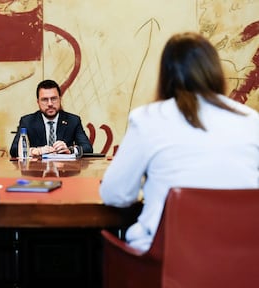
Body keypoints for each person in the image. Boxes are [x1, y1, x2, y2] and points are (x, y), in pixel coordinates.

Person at [100, 32, 259, 252]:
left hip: (166, 263)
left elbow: (115, 194)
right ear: (214, 70)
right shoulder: (251, 120)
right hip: (242, 263)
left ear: (166, 74)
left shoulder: (148, 118)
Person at [9, 79, 93, 157]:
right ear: (38, 102)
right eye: (45, 99)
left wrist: (70, 150)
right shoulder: (27, 122)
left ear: (60, 99)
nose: (50, 104)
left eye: (54, 99)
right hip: (37, 170)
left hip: (65, 170)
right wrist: (34, 151)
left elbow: (88, 148)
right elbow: (14, 150)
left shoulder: (73, 121)